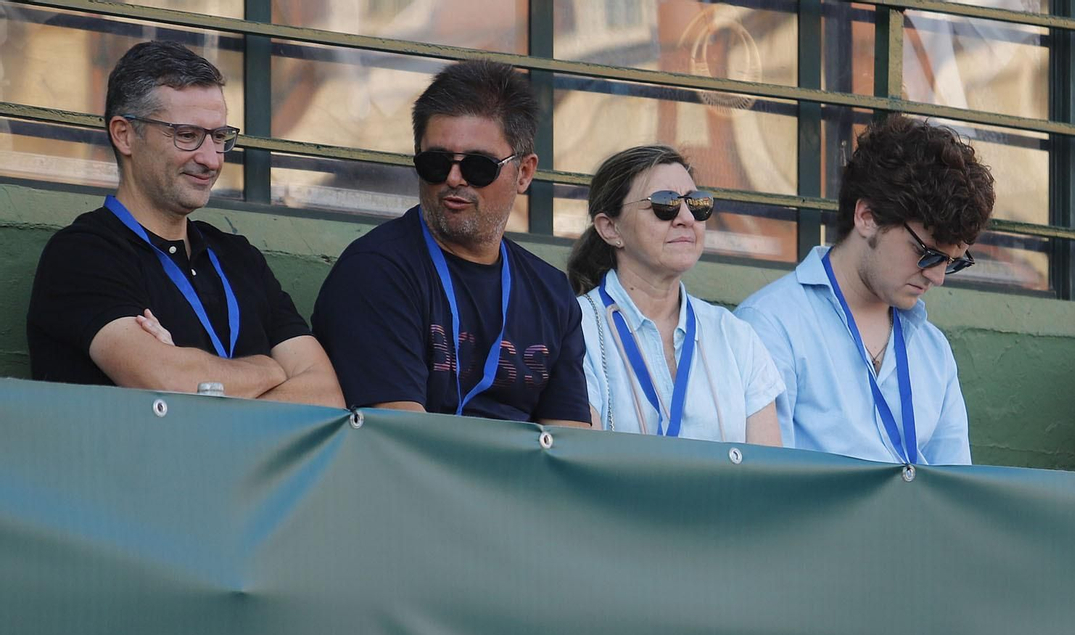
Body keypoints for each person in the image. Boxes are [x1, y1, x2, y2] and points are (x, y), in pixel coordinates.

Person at [27, 41, 343, 405]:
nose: (211, 159)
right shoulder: (84, 254)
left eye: (220, 136)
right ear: (124, 134)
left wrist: (205, 383)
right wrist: (269, 368)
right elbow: (170, 382)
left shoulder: (240, 258)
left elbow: (326, 395)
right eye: (187, 135)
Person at [313, 60, 588, 426]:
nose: (454, 179)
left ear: (524, 172)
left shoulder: (551, 292)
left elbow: (569, 442)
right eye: (436, 163)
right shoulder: (376, 270)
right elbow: (399, 434)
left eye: (478, 166)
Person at [735, 114, 995, 465]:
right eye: (926, 253)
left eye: (952, 262)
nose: (938, 277)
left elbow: (956, 495)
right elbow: (764, 488)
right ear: (867, 217)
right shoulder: (770, 326)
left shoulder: (934, 352)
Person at [568, 145, 782, 444]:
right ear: (610, 228)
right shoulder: (574, 328)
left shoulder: (736, 338)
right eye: (664, 203)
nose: (686, 217)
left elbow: (768, 473)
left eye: (696, 203)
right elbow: (578, 463)